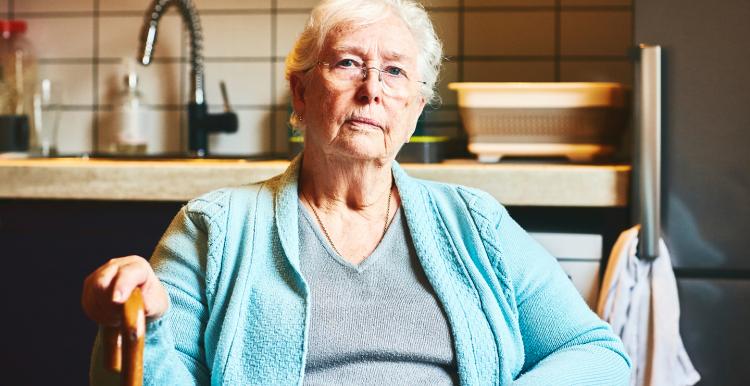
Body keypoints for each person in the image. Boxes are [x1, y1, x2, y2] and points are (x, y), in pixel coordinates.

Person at [82, 0, 631, 384]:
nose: (372, 89)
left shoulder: (474, 223)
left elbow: (598, 354)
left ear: (414, 112)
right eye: (348, 64)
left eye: (395, 73)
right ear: (300, 93)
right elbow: (139, 377)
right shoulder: (215, 228)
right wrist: (142, 323)